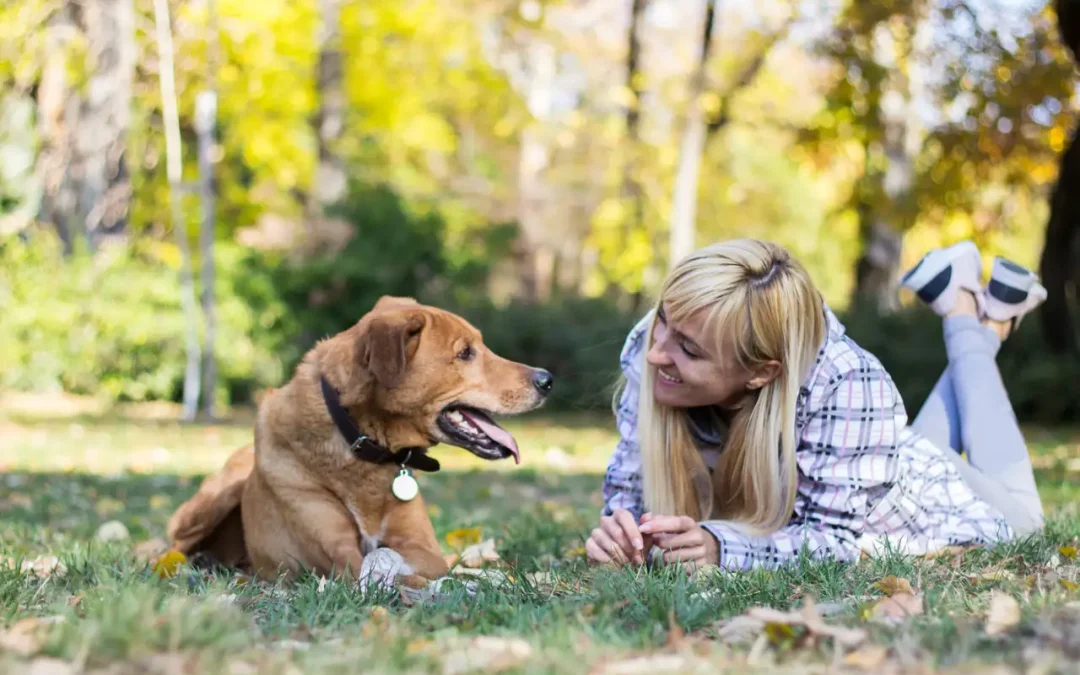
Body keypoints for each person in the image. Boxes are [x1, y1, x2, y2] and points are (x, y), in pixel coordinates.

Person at [587, 239, 1048, 570]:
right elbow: (629, 490)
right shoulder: (668, 333)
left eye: (689, 351)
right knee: (913, 441)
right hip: (869, 458)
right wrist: (622, 533)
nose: (655, 352)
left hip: (926, 507)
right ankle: (982, 323)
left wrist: (719, 547)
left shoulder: (847, 382)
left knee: (1028, 522)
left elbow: (832, 540)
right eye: (662, 322)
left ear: (763, 372)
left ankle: (968, 315)